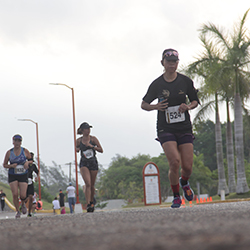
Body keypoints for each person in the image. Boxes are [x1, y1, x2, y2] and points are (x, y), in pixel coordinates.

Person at [141, 49, 200, 208]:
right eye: (169, 62)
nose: (172, 65)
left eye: (174, 62)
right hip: (165, 127)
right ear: (163, 63)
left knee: (187, 167)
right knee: (174, 162)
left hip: (184, 127)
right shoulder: (157, 84)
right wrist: (155, 106)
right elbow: (144, 104)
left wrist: (187, 106)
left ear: (177, 63)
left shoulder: (185, 81)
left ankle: (184, 182)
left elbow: (195, 101)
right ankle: (176, 196)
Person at [76, 122, 103, 212]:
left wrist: (92, 146)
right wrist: (77, 149)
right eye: (86, 129)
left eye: (89, 129)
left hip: (93, 162)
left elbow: (101, 150)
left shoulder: (93, 139)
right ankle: (88, 204)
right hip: (84, 163)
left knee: (92, 185)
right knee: (87, 183)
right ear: (82, 130)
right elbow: (76, 148)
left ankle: (91, 202)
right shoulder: (79, 140)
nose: (88, 131)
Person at [3, 134, 32, 218]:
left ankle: (22, 204)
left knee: (23, 195)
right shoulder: (9, 152)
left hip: (23, 174)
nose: (17, 143)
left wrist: (27, 162)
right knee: (15, 194)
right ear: (13, 142)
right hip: (13, 174)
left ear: (21, 142)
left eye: (19, 141)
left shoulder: (25, 151)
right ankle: (17, 211)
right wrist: (11, 166)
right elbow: (4, 164)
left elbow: (31, 160)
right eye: (15, 141)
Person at [25, 152, 39, 217]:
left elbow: (37, 172)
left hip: (30, 181)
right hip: (24, 182)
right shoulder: (24, 164)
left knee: (30, 197)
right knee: (24, 197)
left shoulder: (33, 165)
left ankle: (29, 212)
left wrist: (37, 177)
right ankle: (22, 205)